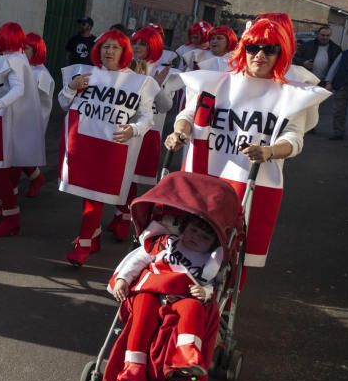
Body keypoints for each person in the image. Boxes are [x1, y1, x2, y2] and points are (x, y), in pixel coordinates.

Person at [165, 13, 330, 268]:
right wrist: (180, 132)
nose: (259, 55)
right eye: (253, 47)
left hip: (250, 182)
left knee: (235, 251)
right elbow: (187, 113)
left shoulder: (291, 93)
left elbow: (294, 139)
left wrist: (270, 151)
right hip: (204, 175)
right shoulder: (217, 81)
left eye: (269, 49)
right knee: (188, 241)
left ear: (281, 53)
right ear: (244, 49)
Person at [57, 30, 160, 266]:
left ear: (124, 52)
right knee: (87, 192)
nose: (109, 51)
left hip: (114, 146)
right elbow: (63, 104)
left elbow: (147, 117)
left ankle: (84, 242)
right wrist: (72, 87)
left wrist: (133, 130)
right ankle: (92, 237)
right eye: (105, 47)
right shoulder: (83, 74)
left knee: (96, 194)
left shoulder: (140, 82)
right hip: (83, 142)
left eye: (115, 47)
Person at [109, 214, 223, 381]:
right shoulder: (165, 243)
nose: (196, 238)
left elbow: (210, 286)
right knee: (143, 311)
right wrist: (123, 279)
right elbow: (137, 260)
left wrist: (204, 292)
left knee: (194, 307)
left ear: (214, 244)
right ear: (183, 228)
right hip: (150, 292)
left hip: (182, 297)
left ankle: (186, 357)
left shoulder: (208, 261)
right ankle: (133, 369)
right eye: (193, 231)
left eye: (205, 237)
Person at [0, 23, 45, 238]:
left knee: (1, 171)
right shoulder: (6, 59)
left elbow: (18, 89)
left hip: (2, 122)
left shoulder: (14, 60)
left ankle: (11, 218)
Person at [108, 25, 178, 241]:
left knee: (131, 178)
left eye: (143, 44)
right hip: (123, 127)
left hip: (147, 131)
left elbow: (166, 106)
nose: (137, 47)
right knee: (118, 175)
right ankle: (120, 214)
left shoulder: (166, 72)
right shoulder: (125, 66)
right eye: (135, 42)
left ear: (154, 47)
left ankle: (127, 218)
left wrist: (156, 85)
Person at [19, 32, 53, 197]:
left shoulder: (42, 74)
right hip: (17, 118)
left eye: (25, 48)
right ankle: (36, 177)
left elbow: (41, 102)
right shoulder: (21, 66)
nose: (21, 51)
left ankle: (35, 178)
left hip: (29, 122)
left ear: (36, 50)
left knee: (19, 156)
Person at [324, 45, 348, 140]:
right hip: (343, 86)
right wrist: (329, 81)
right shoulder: (346, 53)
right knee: (339, 111)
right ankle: (338, 133)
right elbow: (334, 67)